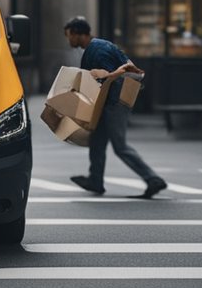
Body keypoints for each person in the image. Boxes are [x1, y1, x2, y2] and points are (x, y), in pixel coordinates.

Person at [63, 16, 168, 199]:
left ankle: (153, 179)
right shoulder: (98, 46)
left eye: (69, 35)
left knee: (120, 146)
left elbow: (111, 77)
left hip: (115, 102)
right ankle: (95, 181)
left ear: (78, 34)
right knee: (97, 140)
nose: (68, 40)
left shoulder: (98, 50)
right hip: (109, 101)